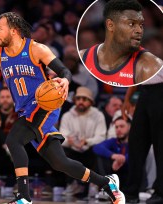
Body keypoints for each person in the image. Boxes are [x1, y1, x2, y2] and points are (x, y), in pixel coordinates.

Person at [0, 12, 126, 204]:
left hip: (45, 106)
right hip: (25, 111)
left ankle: (23, 197)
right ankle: (107, 183)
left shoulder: (36, 49)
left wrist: (64, 80)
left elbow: (64, 71)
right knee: (59, 162)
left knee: (13, 140)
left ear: (13, 30)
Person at [80, 0, 163, 86]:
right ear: (110, 25)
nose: (139, 30)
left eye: (141, 25)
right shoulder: (84, 57)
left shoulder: (150, 65)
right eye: (131, 24)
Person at [122, 68, 163, 204]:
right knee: (136, 142)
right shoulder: (144, 48)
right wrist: (127, 99)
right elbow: (135, 72)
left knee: (160, 145)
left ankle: (160, 192)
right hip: (144, 90)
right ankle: (131, 192)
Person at [93, 116, 130, 190]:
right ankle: (108, 188)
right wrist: (113, 155)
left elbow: (137, 154)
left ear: (130, 127)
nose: (118, 129)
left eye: (122, 126)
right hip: (115, 172)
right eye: (116, 127)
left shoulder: (136, 141)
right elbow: (96, 147)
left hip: (130, 174)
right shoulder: (113, 141)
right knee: (100, 156)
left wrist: (123, 159)